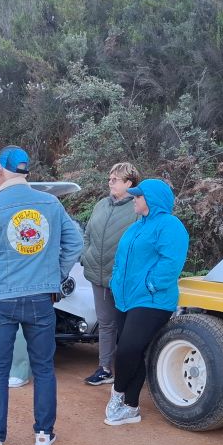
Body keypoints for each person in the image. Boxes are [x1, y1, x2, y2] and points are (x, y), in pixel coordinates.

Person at [0, 145, 83, 445]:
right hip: (40, 297)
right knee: (43, 368)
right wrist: (56, 274)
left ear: (0, 170)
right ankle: (44, 434)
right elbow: (75, 242)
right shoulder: (51, 203)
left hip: (1, 298)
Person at [104, 179, 189, 426]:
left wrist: (150, 284)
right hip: (126, 299)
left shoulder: (170, 225)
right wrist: (115, 281)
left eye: (138, 196)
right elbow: (120, 259)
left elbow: (171, 262)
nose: (134, 199)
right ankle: (131, 407)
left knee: (128, 349)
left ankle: (117, 394)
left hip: (153, 300)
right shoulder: (136, 226)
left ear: (152, 199)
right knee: (134, 351)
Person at [80, 162, 141, 386]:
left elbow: (140, 244)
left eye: (115, 179)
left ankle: (130, 371)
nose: (110, 182)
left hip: (124, 279)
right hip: (97, 274)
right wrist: (85, 255)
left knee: (128, 327)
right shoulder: (101, 205)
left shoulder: (137, 208)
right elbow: (87, 234)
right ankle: (105, 369)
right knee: (106, 324)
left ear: (129, 183)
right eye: (109, 178)